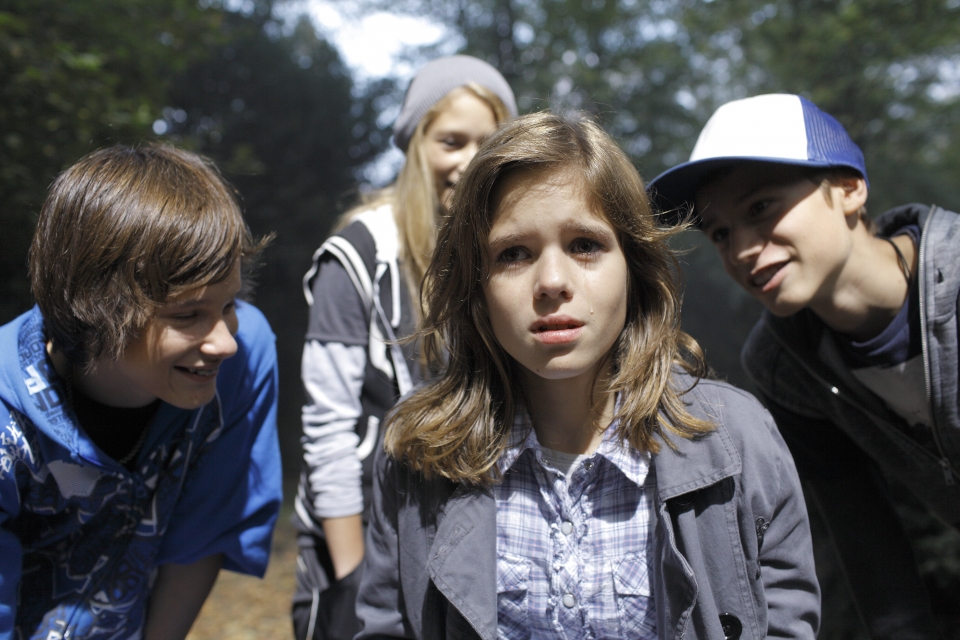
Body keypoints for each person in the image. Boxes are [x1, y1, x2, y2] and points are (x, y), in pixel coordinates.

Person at [355, 111, 820, 639]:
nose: (552, 281)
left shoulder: (740, 438)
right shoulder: (416, 453)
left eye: (584, 245)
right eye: (513, 254)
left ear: (634, 267)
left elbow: (786, 615)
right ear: (476, 287)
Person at [648, 93, 959, 638]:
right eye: (720, 233)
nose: (741, 249)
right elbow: (865, 536)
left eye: (761, 208)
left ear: (849, 189)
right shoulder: (784, 367)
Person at [0, 144, 282, 640]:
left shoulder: (244, 356)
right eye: (187, 315)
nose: (225, 343)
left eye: (230, 304)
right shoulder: (7, 417)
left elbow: (205, 527)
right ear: (93, 308)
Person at [292, 54, 517, 640]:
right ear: (417, 145)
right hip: (358, 536)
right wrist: (353, 576)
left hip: (456, 535)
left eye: (488, 144)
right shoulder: (357, 254)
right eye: (451, 141)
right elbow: (327, 428)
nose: (469, 160)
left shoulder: (505, 253)